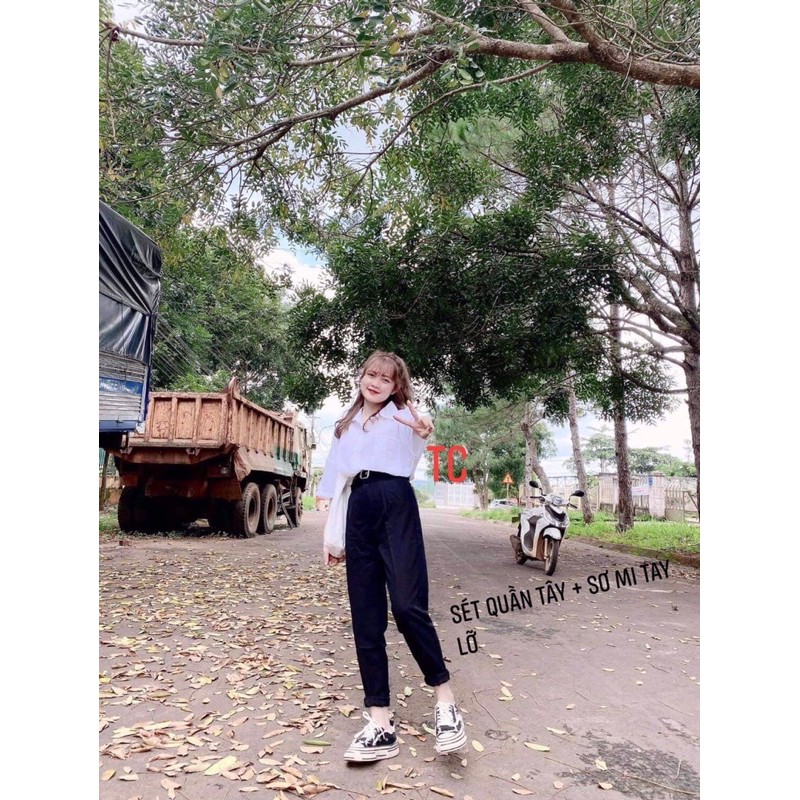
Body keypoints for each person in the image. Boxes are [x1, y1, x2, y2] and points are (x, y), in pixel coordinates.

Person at [316, 351, 466, 763]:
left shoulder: (404, 418)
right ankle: (380, 722)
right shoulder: (344, 424)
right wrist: (333, 538)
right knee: (365, 617)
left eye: (386, 378)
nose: (376, 382)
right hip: (358, 508)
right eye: (371, 374)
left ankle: (446, 701)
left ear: (397, 386)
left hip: (396, 502)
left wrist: (424, 430)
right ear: (361, 377)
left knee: (406, 605)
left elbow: (422, 434)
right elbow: (334, 475)